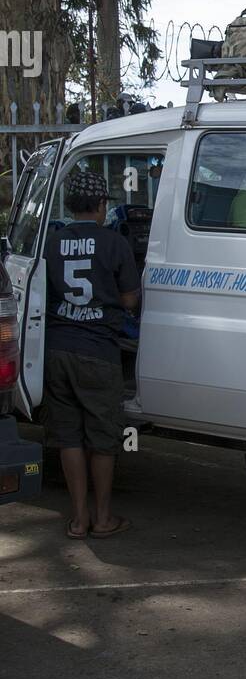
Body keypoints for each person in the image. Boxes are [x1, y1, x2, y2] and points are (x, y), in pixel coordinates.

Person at [43, 171, 140, 538]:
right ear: (102, 206)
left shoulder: (53, 242)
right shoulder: (115, 243)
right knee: (102, 439)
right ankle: (103, 520)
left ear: (70, 206)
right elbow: (130, 298)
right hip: (99, 353)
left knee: (69, 437)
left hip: (59, 351)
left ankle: (78, 519)